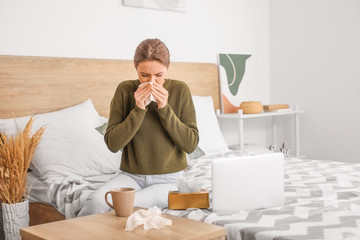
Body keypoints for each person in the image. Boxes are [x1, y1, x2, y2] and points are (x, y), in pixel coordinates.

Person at [77, 38, 199, 216]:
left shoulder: (180, 90)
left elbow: (191, 144)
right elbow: (113, 144)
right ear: (135, 69)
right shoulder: (125, 90)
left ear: (167, 69)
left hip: (169, 179)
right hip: (131, 176)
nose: (151, 82)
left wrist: (164, 108)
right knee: (96, 201)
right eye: (144, 75)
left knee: (123, 205)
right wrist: (139, 109)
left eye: (159, 76)